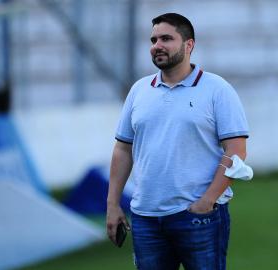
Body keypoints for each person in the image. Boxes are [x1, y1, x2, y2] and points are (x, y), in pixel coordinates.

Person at [106, 13, 251, 269]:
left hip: (199, 218)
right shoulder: (139, 90)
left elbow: (236, 150)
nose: (157, 45)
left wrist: (207, 201)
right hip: (145, 219)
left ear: (189, 45)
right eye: (153, 39)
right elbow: (122, 149)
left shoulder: (218, 89)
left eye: (166, 38)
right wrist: (113, 204)